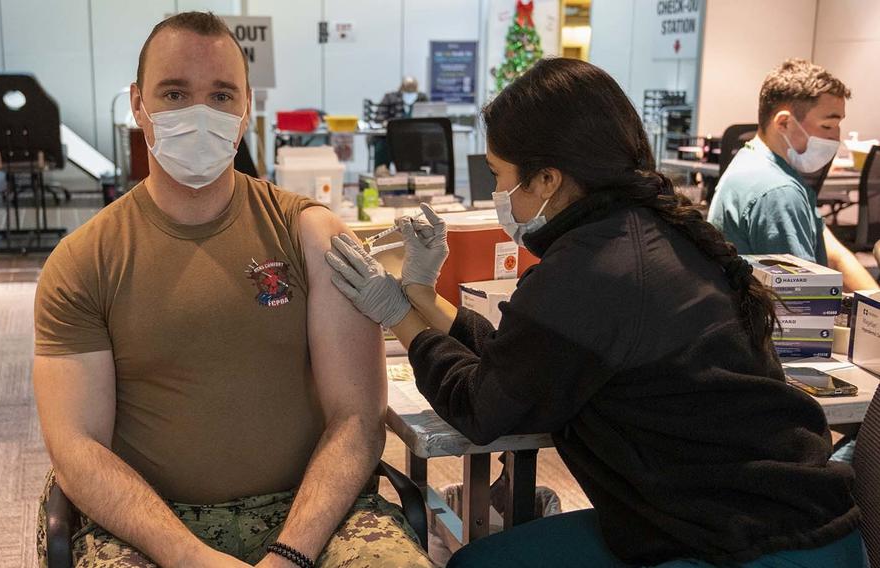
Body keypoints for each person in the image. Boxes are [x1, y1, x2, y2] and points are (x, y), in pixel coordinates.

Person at [325, 58, 868, 567]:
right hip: (761, 517)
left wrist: (394, 312)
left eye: (497, 176)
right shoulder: (642, 232)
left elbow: (481, 407)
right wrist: (420, 291)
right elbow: (525, 362)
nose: (497, 193)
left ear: (548, 179)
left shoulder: (590, 270)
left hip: (751, 545)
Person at [32, 12, 431, 568]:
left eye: (221, 96)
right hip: (150, 524)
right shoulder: (82, 263)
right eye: (174, 93)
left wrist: (290, 553)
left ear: (246, 110)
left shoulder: (311, 236)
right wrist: (191, 558)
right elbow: (78, 451)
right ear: (137, 103)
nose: (200, 114)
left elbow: (357, 418)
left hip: (311, 512)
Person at [708, 59, 876, 292]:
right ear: (784, 123)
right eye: (827, 127)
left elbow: (833, 252)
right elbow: (807, 300)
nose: (836, 138)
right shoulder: (778, 191)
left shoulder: (756, 161)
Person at [372, 76, 429, 171]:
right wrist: (385, 122)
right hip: (390, 137)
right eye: (407, 89)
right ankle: (381, 174)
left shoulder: (421, 98)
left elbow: (429, 114)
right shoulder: (390, 98)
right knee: (382, 146)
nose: (410, 93)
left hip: (415, 137)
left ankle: (414, 175)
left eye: (412, 90)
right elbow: (379, 117)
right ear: (401, 88)